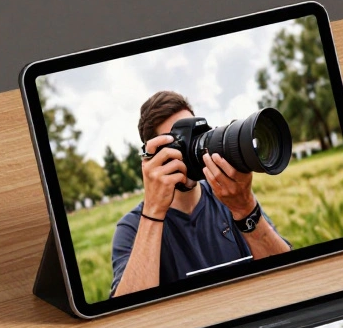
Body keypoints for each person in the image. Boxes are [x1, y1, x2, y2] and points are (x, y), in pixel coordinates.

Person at [110, 90, 290, 297]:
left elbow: (289, 278)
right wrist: (153, 210)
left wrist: (246, 209)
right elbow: (128, 316)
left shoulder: (231, 198)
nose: (190, 146)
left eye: (194, 135)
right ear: (153, 156)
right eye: (178, 141)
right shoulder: (132, 227)